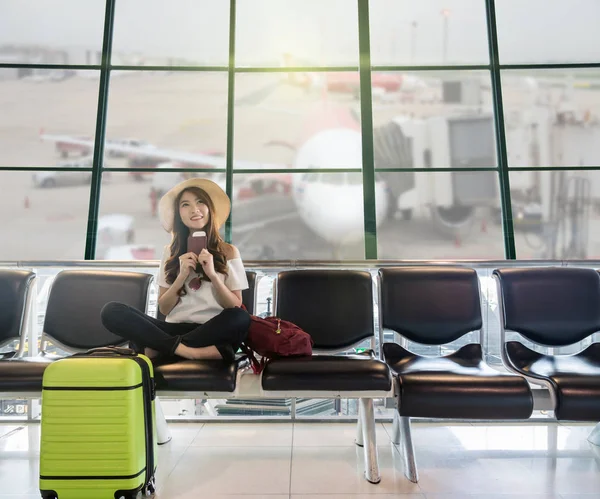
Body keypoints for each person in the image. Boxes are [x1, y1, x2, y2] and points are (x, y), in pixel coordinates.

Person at [101, 178, 250, 362]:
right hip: (174, 329)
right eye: (185, 205)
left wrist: (212, 275)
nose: (194, 209)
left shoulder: (228, 251)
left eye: (200, 202)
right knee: (112, 310)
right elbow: (164, 308)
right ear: (179, 214)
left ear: (210, 209)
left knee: (240, 317)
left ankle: (162, 349)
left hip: (212, 328)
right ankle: (191, 352)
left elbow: (234, 306)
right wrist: (181, 276)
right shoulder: (170, 252)